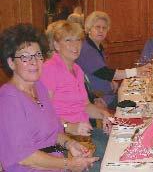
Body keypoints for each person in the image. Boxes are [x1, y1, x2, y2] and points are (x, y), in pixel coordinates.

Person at [0, 24, 98, 171]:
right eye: (25, 57)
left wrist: (70, 144)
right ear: (11, 63)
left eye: (38, 55)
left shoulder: (39, 87)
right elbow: (25, 157)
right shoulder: (9, 99)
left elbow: (54, 133)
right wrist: (69, 164)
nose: (34, 62)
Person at [40, 20, 112, 171]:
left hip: (84, 134)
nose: (75, 45)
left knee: (121, 146)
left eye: (78, 40)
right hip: (62, 141)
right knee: (107, 165)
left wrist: (103, 114)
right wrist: (69, 126)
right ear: (56, 44)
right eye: (68, 40)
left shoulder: (77, 69)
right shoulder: (49, 69)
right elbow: (42, 113)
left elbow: (85, 106)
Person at [76, 11, 151, 108]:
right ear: (89, 29)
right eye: (97, 27)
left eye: (104, 28)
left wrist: (110, 82)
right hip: (98, 98)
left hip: (106, 93)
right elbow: (106, 73)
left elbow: (98, 72)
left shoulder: (96, 46)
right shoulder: (87, 50)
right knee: (142, 104)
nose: (101, 31)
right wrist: (135, 72)